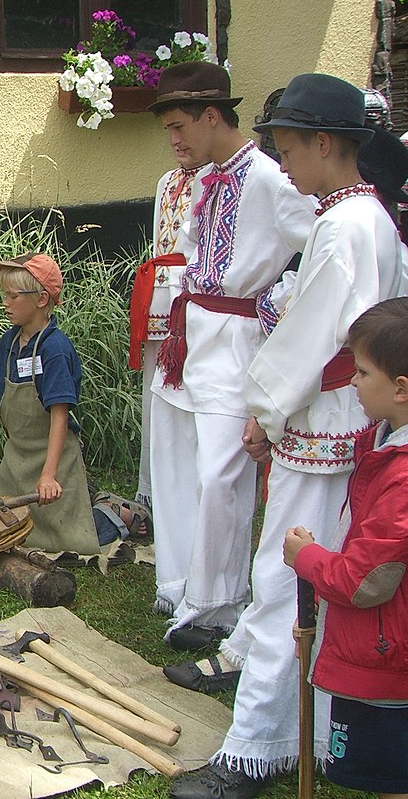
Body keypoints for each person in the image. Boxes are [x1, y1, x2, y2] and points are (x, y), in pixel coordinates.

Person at [169, 73, 408, 799]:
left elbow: (312, 341)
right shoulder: (370, 219)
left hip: (323, 421)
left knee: (284, 575)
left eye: (289, 148)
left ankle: (257, 747)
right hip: (345, 419)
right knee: (308, 577)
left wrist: (265, 410)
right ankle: (327, 717)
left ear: (325, 144)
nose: (283, 164)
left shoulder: (343, 227)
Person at [146, 62, 315, 651]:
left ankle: (218, 601)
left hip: (238, 341)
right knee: (187, 463)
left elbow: (319, 243)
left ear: (212, 115)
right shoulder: (208, 177)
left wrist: (275, 301)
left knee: (223, 472)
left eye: (178, 126)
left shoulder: (269, 177)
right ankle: (189, 582)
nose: (174, 140)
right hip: (192, 336)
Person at [284, 298, 408, 799]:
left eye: (361, 372)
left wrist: (307, 560)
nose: (352, 382)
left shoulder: (402, 478)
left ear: (400, 388)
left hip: (388, 663)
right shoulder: (384, 445)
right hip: (385, 652)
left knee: (392, 779)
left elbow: (366, 579)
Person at [0, 253, 104, 555]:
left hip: (53, 458)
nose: (6, 303)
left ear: (41, 300)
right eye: (4, 295)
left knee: (68, 537)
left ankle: (119, 517)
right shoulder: (10, 342)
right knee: (4, 526)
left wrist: (49, 475)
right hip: (17, 458)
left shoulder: (54, 348)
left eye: (13, 296)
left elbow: (59, 415)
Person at [128, 121, 208, 514]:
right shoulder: (166, 181)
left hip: (197, 301)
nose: (175, 141)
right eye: (169, 131)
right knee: (154, 394)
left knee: (190, 394)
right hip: (160, 296)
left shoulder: (218, 180)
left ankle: (186, 493)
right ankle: (152, 487)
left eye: (182, 129)